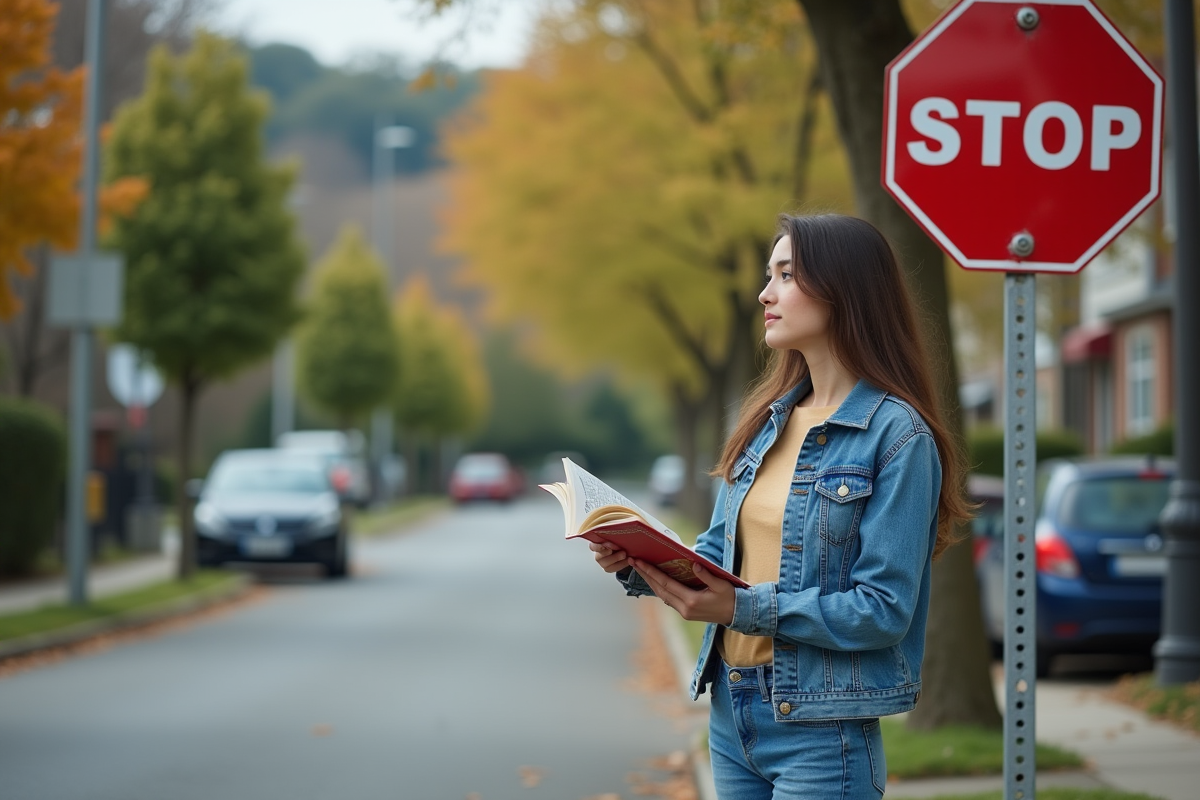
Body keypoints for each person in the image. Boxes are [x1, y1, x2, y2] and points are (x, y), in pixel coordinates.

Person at [591, 213, 972, 799]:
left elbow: (883, 609)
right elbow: (718, 554)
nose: (766, 294)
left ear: (845, 290)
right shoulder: (765, 423)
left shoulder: (898, 437)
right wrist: (639, 558)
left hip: (821, 730)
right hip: (731, 709)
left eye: (787, 275)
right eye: (771, 275)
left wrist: (743, 609)